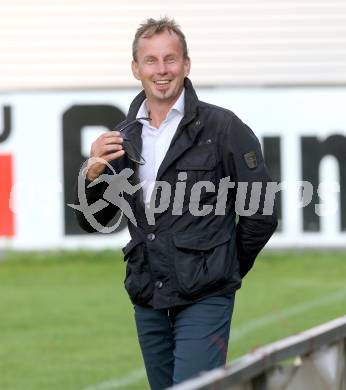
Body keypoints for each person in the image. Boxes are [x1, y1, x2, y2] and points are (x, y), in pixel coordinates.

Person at [74, 17, 278, 390]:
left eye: (170, 59)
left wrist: (224, 266)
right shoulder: (123, 136)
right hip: (147, 295)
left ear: (186, 64)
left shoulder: (224, 127)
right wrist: (92, 174)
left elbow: (261, 211)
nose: (162, 69)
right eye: (150, 60)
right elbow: (94, 221)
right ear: (136, 68)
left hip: (205, 295)